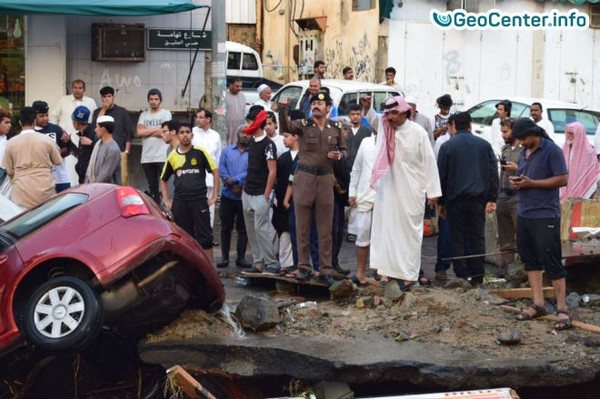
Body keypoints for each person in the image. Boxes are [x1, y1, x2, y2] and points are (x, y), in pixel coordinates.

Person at [364, 96, 441, 289]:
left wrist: (433, 192)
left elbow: (429, 162)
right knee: (385, 230)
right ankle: (385, 274)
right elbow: (374, 118)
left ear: (405, 112)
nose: (390, 117)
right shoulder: (386, 127)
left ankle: (408, 276)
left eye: (394, 113)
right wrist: (367, 107)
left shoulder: (418, 132)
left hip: (411, 190)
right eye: (387, 113)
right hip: (388, 188)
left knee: (408, 234)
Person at [278, 91, 346, 286]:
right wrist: (283, 109)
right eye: (314, 102)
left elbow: (344, 151)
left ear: (328, 108)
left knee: (325, 228)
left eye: (320, 103)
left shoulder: (336, 128)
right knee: (303, 226)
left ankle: (325, 269)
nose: (316, 106)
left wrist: (338, 156)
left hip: (325, 178)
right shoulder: (303, 125)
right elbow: (286, 127)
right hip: (304, 177)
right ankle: (304, 267)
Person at [509, 118, 571, 330]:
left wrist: (532, 183)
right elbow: (523, 176)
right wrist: (517, 182)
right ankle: (539, 303)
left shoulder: (552, 150)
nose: (523, 142)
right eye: (520, 140)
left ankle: (562, 309)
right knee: (530, 260)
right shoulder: (523, 151)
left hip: (545, 214)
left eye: (525, 138)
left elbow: (563, 179)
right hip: (524, 212)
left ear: (535, 134)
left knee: (551, 260)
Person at [437, 112, 499, 286]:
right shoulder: (484, 145)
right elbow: (493, 174)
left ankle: (461, 274)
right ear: (470, 125)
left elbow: (442, 176)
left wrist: (441, 202)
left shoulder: (448, 147)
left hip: (455, 200)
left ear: (454, 125)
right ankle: (478, 276)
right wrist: (492, 198)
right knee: (477, 237)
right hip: (478, 200)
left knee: (457, 237)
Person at [160, 122, 219, 261]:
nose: (185, 135)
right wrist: (167, 201)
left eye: (187, 132)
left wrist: (214, 196)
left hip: (199, 200)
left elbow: (215, 172)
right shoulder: (173, 156)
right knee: (185, 237)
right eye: (182, 133)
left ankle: (209, 270)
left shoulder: (200, 152)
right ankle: (190, 268)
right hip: (180, 202)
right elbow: (163, 179)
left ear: (192, 135)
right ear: (178, 136)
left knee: (205, 236)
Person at [242, 108, 278, 274]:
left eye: (250, 122)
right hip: (248, 191)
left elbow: (272, 171)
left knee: (261, 228)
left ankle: (270, 262)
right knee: (251, 230)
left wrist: (267, 193)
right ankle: (258, 262)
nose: (247, 125)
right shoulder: (252, 142)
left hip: (260, 193)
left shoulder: (268, 144)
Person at [2, 107, 62, 208]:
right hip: (46, 188)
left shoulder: (11, 143)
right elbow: (58, 161)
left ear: (20, 123)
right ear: (34, 122)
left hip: (22, 191)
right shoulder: (47, 140)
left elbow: (8, 170)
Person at [217, 127, 250, 269]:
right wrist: (228, 181)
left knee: (243, 228)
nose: (245, 135)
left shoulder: (254, 153)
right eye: (242, 132)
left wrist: (236, 181)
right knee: (226, 228)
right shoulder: (227, 151)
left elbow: (252, 171)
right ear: (237, 134)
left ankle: (241, 258)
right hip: (227, 195)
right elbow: (221, 168)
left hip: (245, 195)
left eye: (248, 133)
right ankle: (225, 257)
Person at [348, 126, 377, 286]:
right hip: (364, 196)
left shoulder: (394, 142)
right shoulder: (366, 142)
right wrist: (352, 192)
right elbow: (357, 168)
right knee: (362, 237)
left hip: (385, 198)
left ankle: (382, 274)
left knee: (383, 238)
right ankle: (361, 274)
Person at [91, 86, 133, 185]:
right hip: (102, 151)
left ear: (113, 97)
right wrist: (104, 109)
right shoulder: (98, 112)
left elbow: (129, 133)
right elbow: (96, 127)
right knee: (102, 178)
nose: (106, 99)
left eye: (109, 96)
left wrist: (126, 152)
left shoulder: (122, 112)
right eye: (104, 97)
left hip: (120, 151)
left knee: (120, 181)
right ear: (101, 98)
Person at [137, 88, 172, 204]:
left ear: (160, 100)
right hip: (147, 157)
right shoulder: (143, 115)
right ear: (148, 100)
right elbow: (139, 132)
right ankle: (156, 211)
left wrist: (147, 131)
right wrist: (157, 129)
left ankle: (167, 209)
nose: (153, 101)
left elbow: (164, 132)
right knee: (153, 188)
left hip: (162, 156)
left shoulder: (166, 113)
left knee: (165, 185)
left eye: (156, 99)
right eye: (151, 99)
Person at [496, 118, 521, 271]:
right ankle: (507, 269)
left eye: (506, 132)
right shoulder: (505, 149)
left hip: (518, 196)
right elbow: (502, 174)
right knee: (505, 237)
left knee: (522, 235)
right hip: (504, 195)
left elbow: (531, 170)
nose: (503, 135)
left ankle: (524, 270)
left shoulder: (524, 150)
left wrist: (517, 168)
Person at [32, 101, 72, 193]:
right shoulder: (31, 132)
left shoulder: (56, 129)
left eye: (47, 115)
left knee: (65, 203)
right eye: (41, 116)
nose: (45, 118)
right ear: (34, 116)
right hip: (40, 179)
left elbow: (67, 149)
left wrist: (54, 155)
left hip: (60, 178)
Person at [192, 108, 222, 228]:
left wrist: (216, 177)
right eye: (197, 117)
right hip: (195, 177)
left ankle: (207, 234)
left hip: (210, 178)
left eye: (201, 117)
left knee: (209, 208)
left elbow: (217, 158)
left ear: (208, 119)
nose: (198, 120)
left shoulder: (215, 135)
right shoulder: (192, 133)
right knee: (195, 208)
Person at [560, 121, 600, 200]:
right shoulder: (564, 149)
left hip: (582, 191)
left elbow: (591, 175)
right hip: (565, 186)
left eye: (571, 134)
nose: (568, 136)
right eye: (567, 133)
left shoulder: (589, 152)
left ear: (579, 134)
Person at [85, 115, 122, 184]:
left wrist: (93, 187)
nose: (95, 130)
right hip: (95, 188)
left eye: (97, 127)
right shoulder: (98, 144)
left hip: (107, 190)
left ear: (103, 129)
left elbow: (105, 175)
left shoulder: (113, 149)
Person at [71, 105, 97, 184]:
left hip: (91, 178)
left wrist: (91, 143)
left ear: (76, 122)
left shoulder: (94, 132)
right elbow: (79, 154)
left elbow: (104, 149)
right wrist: (69, 142)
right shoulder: (82, 134)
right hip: (82, 176)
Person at [161, 119, 180, 201]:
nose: (162, 135)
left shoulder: (183, 149)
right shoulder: (169, 149)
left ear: (173, 132)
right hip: (170, 195)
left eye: (164, 131)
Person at [225, 77, 246, 145]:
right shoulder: (224, 95)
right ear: (231, 85)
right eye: (237, 86)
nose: (239, 88)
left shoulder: (242, 95)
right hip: (228, 126)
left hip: (240, 125)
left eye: (240, 86)